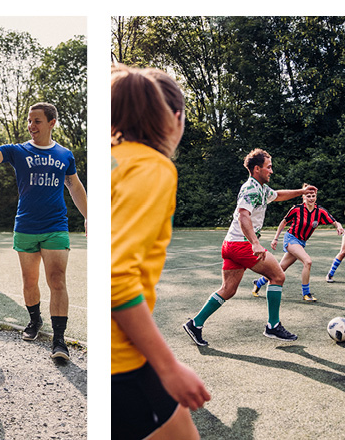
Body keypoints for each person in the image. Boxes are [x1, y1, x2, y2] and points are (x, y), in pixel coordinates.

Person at [112, 66, 210, 440]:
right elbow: (116, 278)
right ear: (174, 117)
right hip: (122, 360)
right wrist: (168, 367)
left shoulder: (111, 159)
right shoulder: (153, 168)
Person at [0, 102, 88, 364]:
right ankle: (35, 320)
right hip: (25, 227)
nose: (31, 126)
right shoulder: (18, 151)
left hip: (55, 226)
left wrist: (89, 216)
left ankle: (59, 340)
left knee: (57, 280)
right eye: (29, 120)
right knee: (29, 282)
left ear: (51, 123)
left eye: (37, 121)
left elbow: (75, 186)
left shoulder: (65, 154)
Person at [182, 149, 316, 345]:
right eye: (268, 167)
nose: (271, 171)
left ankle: (196, 324)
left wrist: (302, 192)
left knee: (228, 289)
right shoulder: (250, 189)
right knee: (278, 276)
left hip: (230, 244)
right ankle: (273, 326)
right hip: (241, 245)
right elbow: (243, 215)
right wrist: (255, 243)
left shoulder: (261, 188)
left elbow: (278, 195)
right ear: (257, 168)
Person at [249, 187, 344, 302]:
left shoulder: (320, 211)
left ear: (316, 197)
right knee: (307, 261)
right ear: (303, 197)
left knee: (280, 269)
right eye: (308, 196)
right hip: (291, 239)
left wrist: (339, 226)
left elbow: (334, 221)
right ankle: (306, 293)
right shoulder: (297, 209)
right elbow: (283, 222)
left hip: (301, 242)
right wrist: (275, 238)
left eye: (313, 196)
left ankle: (258, 283)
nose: (311, 198)